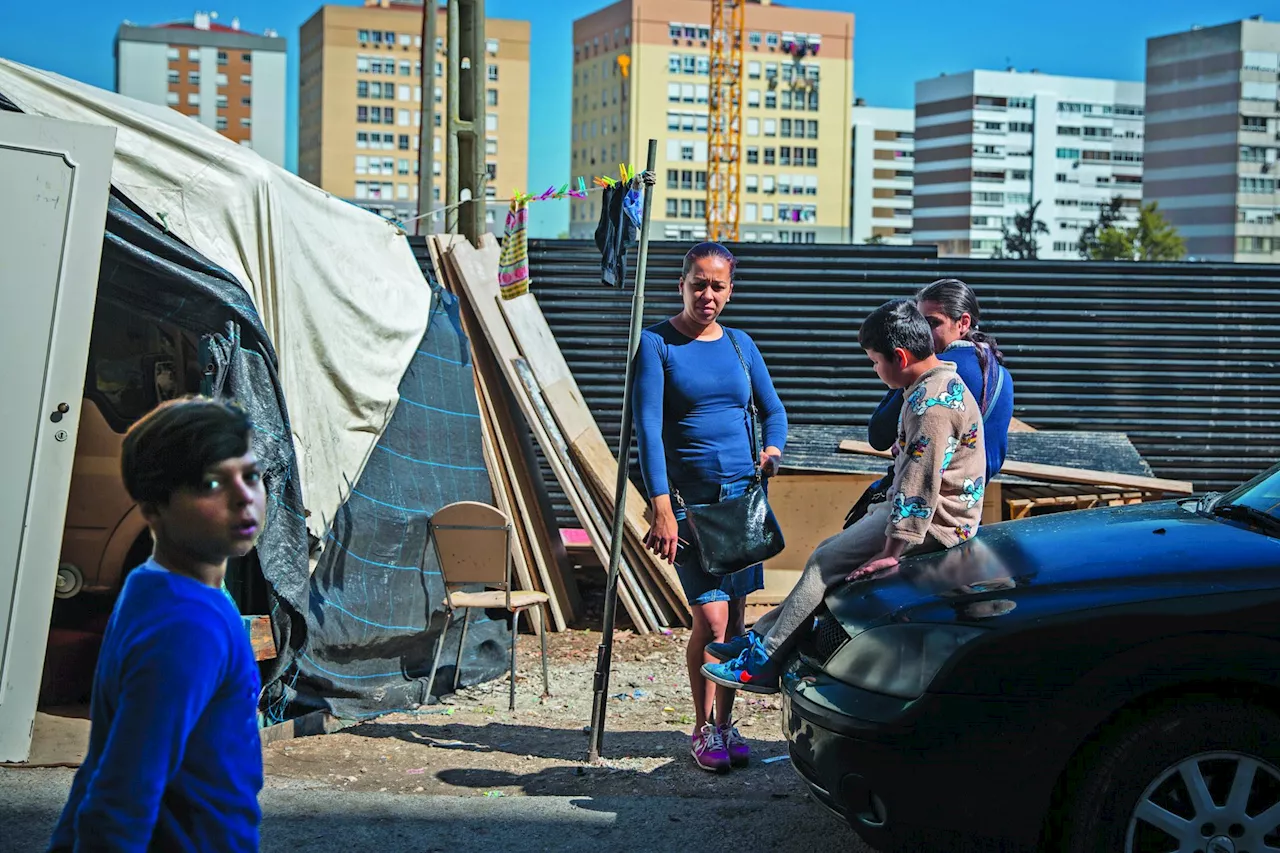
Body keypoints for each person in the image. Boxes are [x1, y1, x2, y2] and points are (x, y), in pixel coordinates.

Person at [702, 299, 986, 693]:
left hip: (937, 523)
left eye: (874, 361)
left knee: (823, 562)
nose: (874, 370)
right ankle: (761, 636)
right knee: (830, 554)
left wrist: (892, 551)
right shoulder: (931, 384)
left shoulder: (930, 405)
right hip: (921, 511)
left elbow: (918, 485)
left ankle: (763, 663)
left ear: (899, 357)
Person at [48, 397, 266, 853]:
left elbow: (104, 762)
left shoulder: (151, 585)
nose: (245, 497)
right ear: (153, 509)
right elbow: (121, 797)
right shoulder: (189, 629)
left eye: (251, 475)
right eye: (211, 483)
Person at [633, 241, 787, 772]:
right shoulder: (657, 344)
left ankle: (725, 724)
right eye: (699, 283)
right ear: (682, 283)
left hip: (742, 504)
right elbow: (648, 432)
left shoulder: (742, 345)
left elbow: (774, 410)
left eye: (718, 285)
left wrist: (772, 450)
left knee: (739, 621)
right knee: (713, 619)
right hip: (690, 508)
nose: (708, 294)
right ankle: (701, 729)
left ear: (730, 289)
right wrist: (661, 509)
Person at [849, 279, 1014, 526]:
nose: (923, 332)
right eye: (920, 322)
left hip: (917, 514)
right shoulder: (1002, 376)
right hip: (965, 514)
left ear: (963, 323)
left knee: (825, 561)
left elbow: (878, 435)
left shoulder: (938, 372)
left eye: (932, 323)